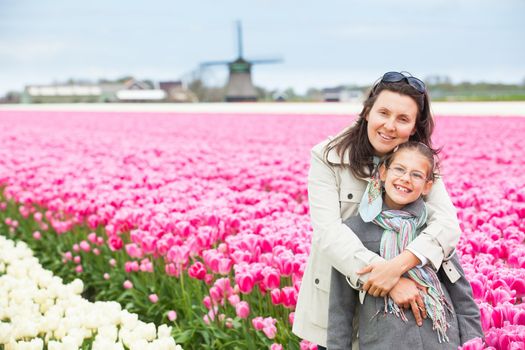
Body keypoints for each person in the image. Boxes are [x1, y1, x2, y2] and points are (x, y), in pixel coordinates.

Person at [292, 72, 463, 349]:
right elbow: (330, 234)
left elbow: (447, 225)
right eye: (383, 112)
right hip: (342, 302)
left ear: (414, 127)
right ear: (367, 111)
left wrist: (397, 267)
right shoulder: (327, 157)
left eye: (403, 119)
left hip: (403, 310)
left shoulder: (421, 162)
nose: (390, 126)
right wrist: (386, 279)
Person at [327, 142, 483, 349]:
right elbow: (340, 309)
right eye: (399, 169)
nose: (405, 179)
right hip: (384, 342)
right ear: (383, 172)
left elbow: (462, 296)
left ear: (428, 185)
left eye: (416, 175)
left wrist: (473, 342)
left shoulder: (433, 228)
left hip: (442, 340)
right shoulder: (354, 231)